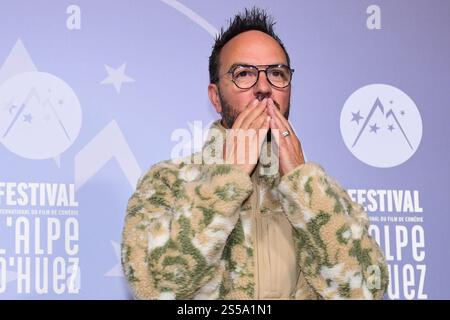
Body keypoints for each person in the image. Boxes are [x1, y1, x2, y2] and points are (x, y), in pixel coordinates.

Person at [121, 7, 388, 300]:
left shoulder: (322, 191)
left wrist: (303, 185)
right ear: (215, 96)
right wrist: (227, 181)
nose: (264, 87)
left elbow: (367, 291)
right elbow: (156, 289)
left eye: (276, 73)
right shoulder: (167, 183)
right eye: (244, 73)